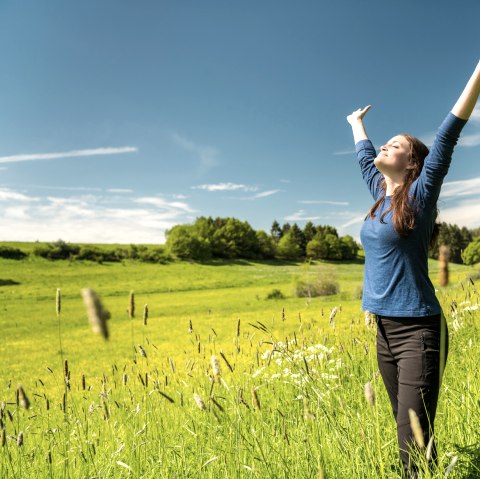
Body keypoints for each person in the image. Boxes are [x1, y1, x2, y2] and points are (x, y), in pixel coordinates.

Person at [347, 59, 480, 478]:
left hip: (418, 329)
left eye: (396, 145)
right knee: (409, 436)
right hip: (384, 330)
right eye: (384, 144)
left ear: (411, 164)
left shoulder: (419, 197)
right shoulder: (380, 194)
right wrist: (355, 122)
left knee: (413, 442)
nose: (385, 148)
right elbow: (365, 157)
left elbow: (448, 134)